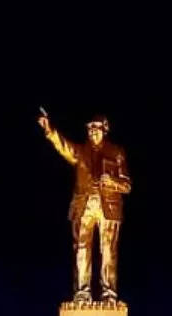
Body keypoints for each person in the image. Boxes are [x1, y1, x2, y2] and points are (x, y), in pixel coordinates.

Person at [38, 112, 132, 303]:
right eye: (89, 127)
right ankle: (82, 292)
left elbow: (127, 185)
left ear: (105, 129)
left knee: (108, 251)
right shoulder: (80, 152)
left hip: (109, 207)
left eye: (96, 127)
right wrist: (50, 130)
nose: (92, 131)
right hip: (84, 206)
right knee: (81, 250)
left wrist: (112, 181)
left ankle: (109, 294)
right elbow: (63, 146)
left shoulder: (116, 152)